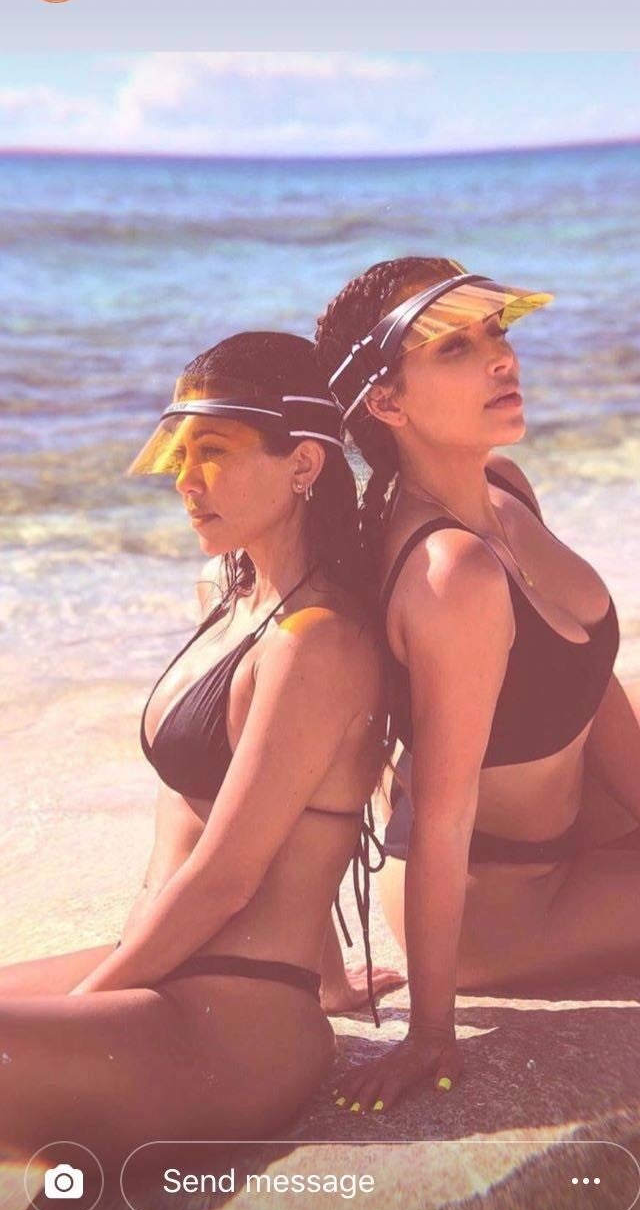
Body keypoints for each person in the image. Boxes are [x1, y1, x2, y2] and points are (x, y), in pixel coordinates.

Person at [314, 256, 640, 1112]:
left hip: (579, 793)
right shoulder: (450, 576)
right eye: (456, 349)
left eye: (496, 334)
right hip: (507, 901)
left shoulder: (501, 484)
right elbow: (442, 820)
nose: (502, 360)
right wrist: (429, 1032)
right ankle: (617, 884)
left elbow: (583, 669)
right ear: (387, 403)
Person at [0, 331, 387, 1164]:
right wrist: (334, 980)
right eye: (181, 453)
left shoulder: (318, 643)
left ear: (304, 463)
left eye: (213, 452)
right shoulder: (233, 597)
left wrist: (85, 1009)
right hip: (159, 972)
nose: (184, 480)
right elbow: (276, 821)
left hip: (233, 1026)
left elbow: (227, 877)